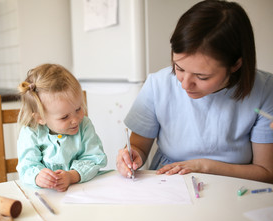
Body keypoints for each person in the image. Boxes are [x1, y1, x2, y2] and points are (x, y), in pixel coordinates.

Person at [116, 0, 273, 183]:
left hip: (236, 184)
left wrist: (203, 166)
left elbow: (266, 172)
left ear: (235, 65)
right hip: (168, 182)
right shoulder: (158, 84)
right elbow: (138, 146)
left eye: (202, 77)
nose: (185, 85)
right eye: (179, 68)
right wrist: (131, 156)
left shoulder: (265, 90)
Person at [17, 63, 107, 191]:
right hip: (44, 195)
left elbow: (94, 158)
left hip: (81, 191)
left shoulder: (84, 125)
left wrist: (71, 176)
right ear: (40, 118)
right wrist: (38, 176)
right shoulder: (31, 132)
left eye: (78, 109)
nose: (75, 120)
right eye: (64, 117)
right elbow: (26, 165)